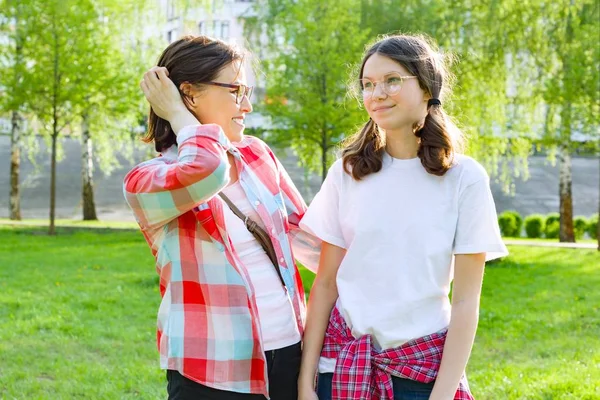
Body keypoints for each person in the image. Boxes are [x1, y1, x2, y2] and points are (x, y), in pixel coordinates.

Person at [297, 34, 508, 400]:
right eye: (367, 85)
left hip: (422, 374)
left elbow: (465, 300)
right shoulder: (347, 173)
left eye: (392, 80)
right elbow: (326, 284)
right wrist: (305, 381)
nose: (376, 94)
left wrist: (442, 394)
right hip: (343, 370)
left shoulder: (463, 178)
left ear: (427, 87)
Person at [123, 35, 318, 400]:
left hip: (290, 353)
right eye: (235, 90)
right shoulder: (146, 181)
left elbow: (308, 240)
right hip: (212, 371)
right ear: (191, 94)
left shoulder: (257, 154)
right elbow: (207, 169)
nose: (247, 105)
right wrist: (181, 118)